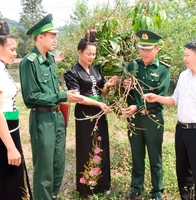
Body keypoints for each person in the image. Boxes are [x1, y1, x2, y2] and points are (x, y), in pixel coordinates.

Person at [144, 40, 196, 200]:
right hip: (181, 130)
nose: (184, 58)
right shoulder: (184, 75)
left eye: (187, 55)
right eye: (184, 55)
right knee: (183, 172)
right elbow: (175, 100)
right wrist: (157, 98)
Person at [19, 14, 83, 200]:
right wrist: (64, 96)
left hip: (57, 117)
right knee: (44, 168)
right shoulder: (29, 62)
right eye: (51, 36)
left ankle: (52, 195)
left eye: (56, 35)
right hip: (42, 119)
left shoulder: (51, 60)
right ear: (40, 37)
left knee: (58, 163)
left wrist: (64, 97)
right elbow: (31, 97)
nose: (55, 39)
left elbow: (51, 90)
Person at [63, 29, 118, 198]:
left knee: (101, 148)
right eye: (88, 54)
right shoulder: (72, 72)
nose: (91, 57)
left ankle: (102, 185)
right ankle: (87, 189)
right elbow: (77, 97)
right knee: (87, 149)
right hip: (85, 115)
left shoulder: (95, 70)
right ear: (79, 52)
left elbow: (101, 93)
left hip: (100, 114)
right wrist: (99, 103)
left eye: (93, 54)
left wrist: (107, 86)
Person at [0, 18, 32, 200]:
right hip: (1, 131)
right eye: (12, 49)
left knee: (14, 181)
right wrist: (11, 147)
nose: (15, 53)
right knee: (7, 184)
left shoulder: (1, 69)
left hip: (10, 127)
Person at [122, 29, 171, 200]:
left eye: (148, 49)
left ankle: (157, 190)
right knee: (136, 155)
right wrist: (125, 87)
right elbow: (127, 95)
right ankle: (136, 186)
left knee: (154, 155)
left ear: (157, 49)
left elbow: (161, 95)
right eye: (142, 48)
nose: (144, 52)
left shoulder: (164, 70)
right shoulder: (133, 66)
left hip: (153, 118)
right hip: (134, 119)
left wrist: (137, 106)